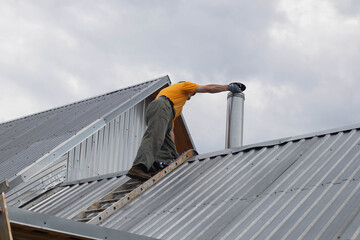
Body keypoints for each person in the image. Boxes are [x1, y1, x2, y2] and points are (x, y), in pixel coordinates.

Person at [127, 81, 245, 180]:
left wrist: (175, 154)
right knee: (155, 136)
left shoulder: (175, 101)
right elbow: (209, 88)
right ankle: (139, 167)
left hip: (162, 110)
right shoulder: (184, 85)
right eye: (191, 95)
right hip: (161, 106)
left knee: (169, 151)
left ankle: (154, 165)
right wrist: (228, 87)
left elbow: (170, 131)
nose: (189, 98)